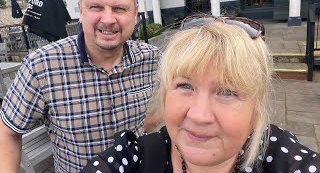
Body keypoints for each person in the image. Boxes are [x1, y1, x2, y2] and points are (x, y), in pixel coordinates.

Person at [80, 15, 320, 173]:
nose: (200, 115)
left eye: (227, 91)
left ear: (256, 110)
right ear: (164, 96)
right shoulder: (133, 160)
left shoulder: (283, 159)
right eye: (185, 86)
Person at [0, 0, 161, 172]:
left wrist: (145, 127)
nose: (108, 19)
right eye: (96, 7)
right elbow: (8, 131)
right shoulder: (41, 66)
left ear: (135, 12)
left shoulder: (152, 59)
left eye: (119, 8)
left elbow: (173, 101)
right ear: (81, 11)